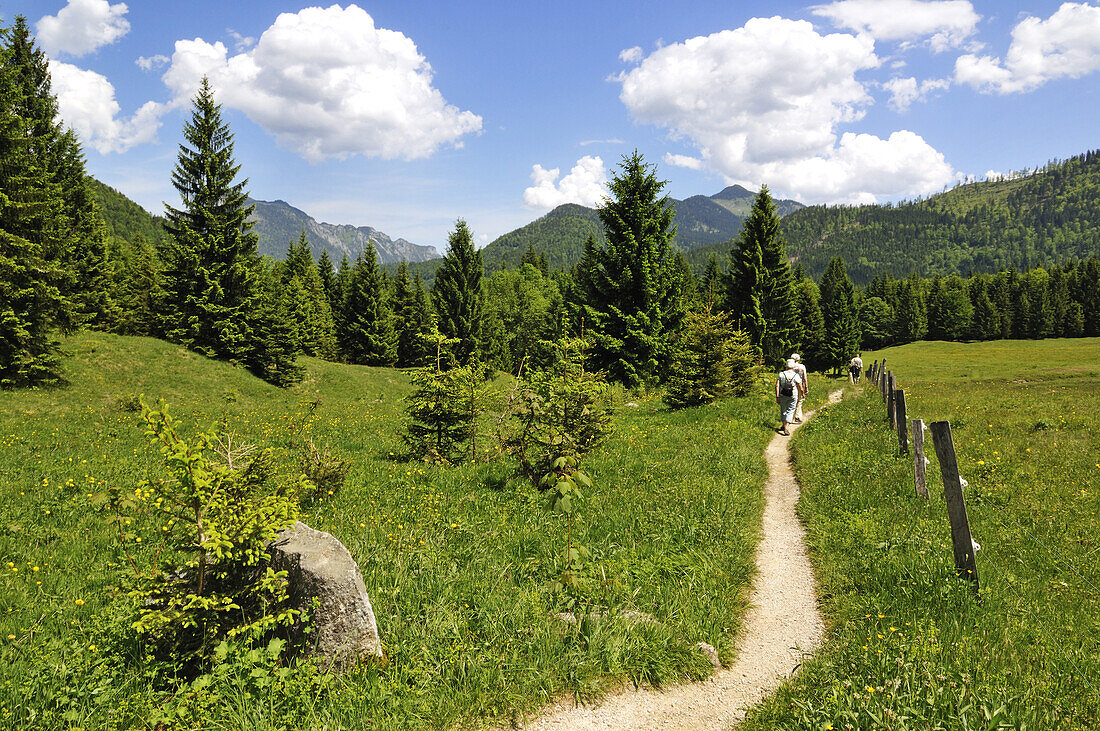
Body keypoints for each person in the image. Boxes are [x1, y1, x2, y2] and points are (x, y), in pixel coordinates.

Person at [775, 358, 805, 436]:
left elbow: (777, 385)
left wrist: (777, 396)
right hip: (793, 395)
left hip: (782, 395)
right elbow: (800, 386)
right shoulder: (795, 375)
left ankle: (783, 425)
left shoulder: (781, 374)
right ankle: (786, 427)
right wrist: (802, 393)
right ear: (793, 366)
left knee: (783, 410)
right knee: (790, 410)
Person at [791, 353, 808, 423]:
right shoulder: (802, 367)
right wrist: (806, 387)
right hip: (800, 385)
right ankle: (797, 416)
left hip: (791, 385)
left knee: (792, 400)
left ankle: (789, 416)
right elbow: (805, 378)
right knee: (799, 400)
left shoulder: (790, 366)